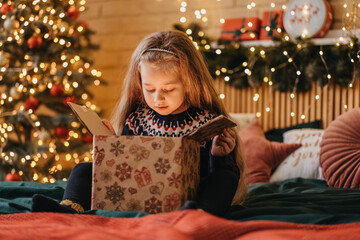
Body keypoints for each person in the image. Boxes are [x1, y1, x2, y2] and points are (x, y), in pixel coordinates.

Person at [32, 31, 247, 217]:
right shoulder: (137, 120)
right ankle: (70, 209)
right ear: (139, 83)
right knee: (83, 170)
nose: (157, 98)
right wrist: (111, 148)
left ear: (189, 83)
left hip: (189, 197)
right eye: (149, 88)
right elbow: (123, 168)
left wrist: (219, 157)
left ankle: (199, 215)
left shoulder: (207, 122)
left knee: (224, 178)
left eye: (169, 89)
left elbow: (221, 175)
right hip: (139, 191)